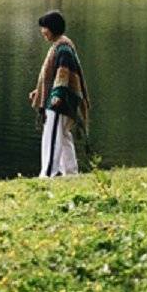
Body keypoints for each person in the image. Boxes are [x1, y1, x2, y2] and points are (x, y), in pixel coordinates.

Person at [28, 10, 89, 177]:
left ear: (52, 28)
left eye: (44, 28)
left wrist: (56, 95)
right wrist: (39, 91)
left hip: (59, 101)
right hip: (61, 98)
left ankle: (48, 173)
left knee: (52, 135)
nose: (42, 32)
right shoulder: (61, 45)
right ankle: (70, 173)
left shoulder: (63, 48)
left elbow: (63, 74)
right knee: (63, 135)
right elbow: (54, 75)